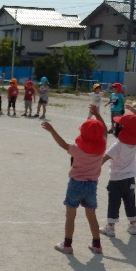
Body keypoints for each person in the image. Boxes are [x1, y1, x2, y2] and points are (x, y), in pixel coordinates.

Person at [42, 105, 107, 255]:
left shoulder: (78, 150)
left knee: (70, 215)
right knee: (91, 216)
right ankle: (97, 244)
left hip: (76, 184)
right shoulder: (102, 147)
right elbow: (103, 129)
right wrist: (97, 115)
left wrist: (52, 130)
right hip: (92, 185)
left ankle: (67, 244)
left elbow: (63, 144)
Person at [100, 112, 136, 239]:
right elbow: (134, 126)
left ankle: (110, 227)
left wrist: (93, 167)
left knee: (114, 203)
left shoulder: (117, 146)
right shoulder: (135, 144)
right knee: (130, 202)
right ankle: (133, 226)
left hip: (116, 179)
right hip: (130, 179)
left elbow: (104, 158)